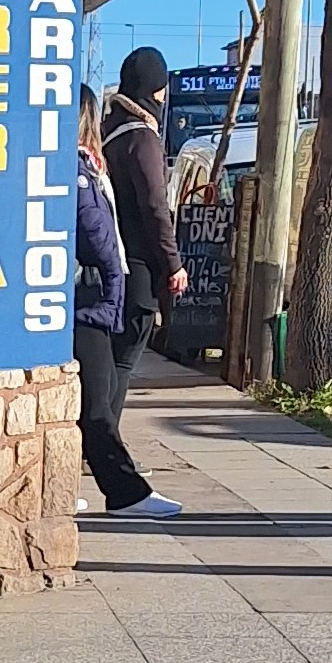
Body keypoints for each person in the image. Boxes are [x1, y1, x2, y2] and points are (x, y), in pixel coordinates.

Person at [75, 87, 181, 518]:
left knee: (92, 401)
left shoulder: (91, 165)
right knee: (97, 404)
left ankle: (69, 486)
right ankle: (125, 493)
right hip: (88, 298)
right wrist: (116, 272)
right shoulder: (80, 172)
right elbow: (96, 232)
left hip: (93, 297)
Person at [101, 46, 188, 424]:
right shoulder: (143, 139)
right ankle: (107, 441)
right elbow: (155, 206)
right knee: (125, 358)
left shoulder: (107, 133)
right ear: (154, 90)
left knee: (108, 358)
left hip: (106, 260)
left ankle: (100, 438)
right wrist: (173, 264)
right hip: (137, 265)